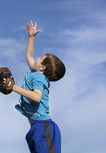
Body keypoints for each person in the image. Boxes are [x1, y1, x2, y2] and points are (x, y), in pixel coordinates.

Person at [8, 21, 66, 153]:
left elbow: (37, 97)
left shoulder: (39, 78)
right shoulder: (35, 73)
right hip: (37, 128)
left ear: (42, 67)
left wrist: (14, 87)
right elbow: (29, 55)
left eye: (40, 58)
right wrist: (31, 37)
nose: (36, 59)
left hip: (44, 128)